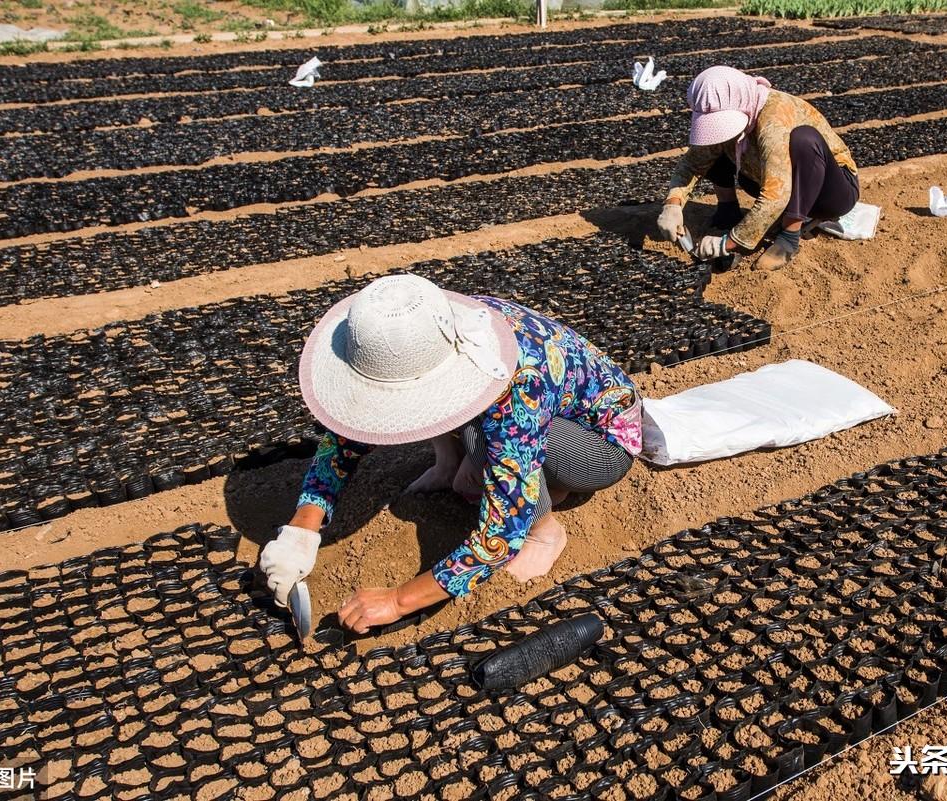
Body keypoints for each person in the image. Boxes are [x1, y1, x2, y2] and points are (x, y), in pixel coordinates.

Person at [259, 274, 643, 634]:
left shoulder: (513, 385)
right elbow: (347, 435)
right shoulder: (427, 331)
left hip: (600, 442)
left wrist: (397, 600)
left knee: (484, 440)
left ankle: (544, 531)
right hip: (546, 414)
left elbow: (500, 534)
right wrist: (301, 530)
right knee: (462, 425)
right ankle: (453, 464)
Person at [657, 65, 860, 271]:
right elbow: (693, 162)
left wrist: (728, 243)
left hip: (830, 192)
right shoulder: (736, 106)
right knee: (713, 143)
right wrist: (673, 204)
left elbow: (777, 195)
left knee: (804, 140)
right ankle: (728, 211)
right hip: (767, 177)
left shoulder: (773, 118)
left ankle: (790, 235)